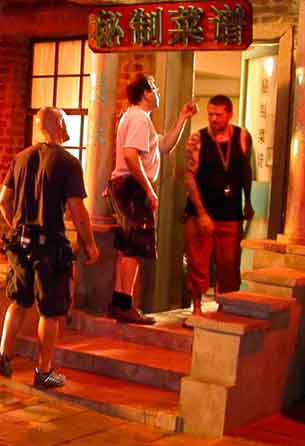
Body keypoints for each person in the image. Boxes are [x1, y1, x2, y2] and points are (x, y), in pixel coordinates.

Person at [0, 107, 99, 389]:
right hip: (49, 246)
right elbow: (78, 211)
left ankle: (2, 359)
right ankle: (43, 371)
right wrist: (90, 243)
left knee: (19, 302)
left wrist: (17, 225)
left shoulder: (21, 158)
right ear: (59, 124)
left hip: (20, 243)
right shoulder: (68, 162)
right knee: (50, 312)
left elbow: (3, 201)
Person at [107, 74, 197, 324]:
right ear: (145, 93)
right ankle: (125, 304)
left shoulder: (139, 118)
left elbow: (164, 145)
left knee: (127, 247)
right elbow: (130, 155)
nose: (157, 92)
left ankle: (120, 302)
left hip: (128, 186)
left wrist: (182, 118)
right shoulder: (138, 118)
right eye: (154, 88)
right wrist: (148, 189)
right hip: (132, 187)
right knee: (134, 247)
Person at [183, 95, 254, 317]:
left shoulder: (243, 137)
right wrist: (202, 213)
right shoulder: (198, 139)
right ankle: (196, 308)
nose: (213, 119)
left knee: (229, 264)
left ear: (229, 115)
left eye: (219, 115)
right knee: (198, 261)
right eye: (210, 114)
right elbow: (189, 177)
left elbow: (246, 170)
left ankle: (225, 307)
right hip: (200, 211)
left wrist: (248, 200)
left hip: (230, 212)